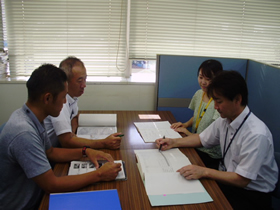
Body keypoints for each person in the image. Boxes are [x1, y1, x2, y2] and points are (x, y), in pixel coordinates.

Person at [0, 64, 122, 210]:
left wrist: (85, 151)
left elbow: (50, 152)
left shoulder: (30, 116)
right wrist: (100, 174)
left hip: (36, 193)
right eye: (64, 97)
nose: (65, 102)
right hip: (28, 204)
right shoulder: (24, 133)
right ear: (47, 98)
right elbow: (52, 185)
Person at [156, 71, 278, 209]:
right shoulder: (225, 120)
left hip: (251, 195)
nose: (215, 107)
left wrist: (204, 171)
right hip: (228, 182)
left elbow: (242, 179)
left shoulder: (256, 134)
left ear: (237, 99)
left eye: (219, 102)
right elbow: (201, 139)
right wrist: (174, 142)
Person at [44, 56, 122, 149]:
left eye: (85, 79)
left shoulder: (72, 96)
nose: (84, 85)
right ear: (66, 82)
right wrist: (103, 143)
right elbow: (66, 142)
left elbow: (74, 117)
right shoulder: (61, 103)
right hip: (49, 152)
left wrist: (72, 134)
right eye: (80, 81)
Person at [171, 59, 223, 169]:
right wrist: (185, 125)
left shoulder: (219, 102)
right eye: (200, 77)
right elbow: (198, 116)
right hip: (194, 144)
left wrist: (187, 134)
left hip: (209, 153)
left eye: (208, 79)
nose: (203, 82)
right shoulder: (199, 93)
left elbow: (211, 137)